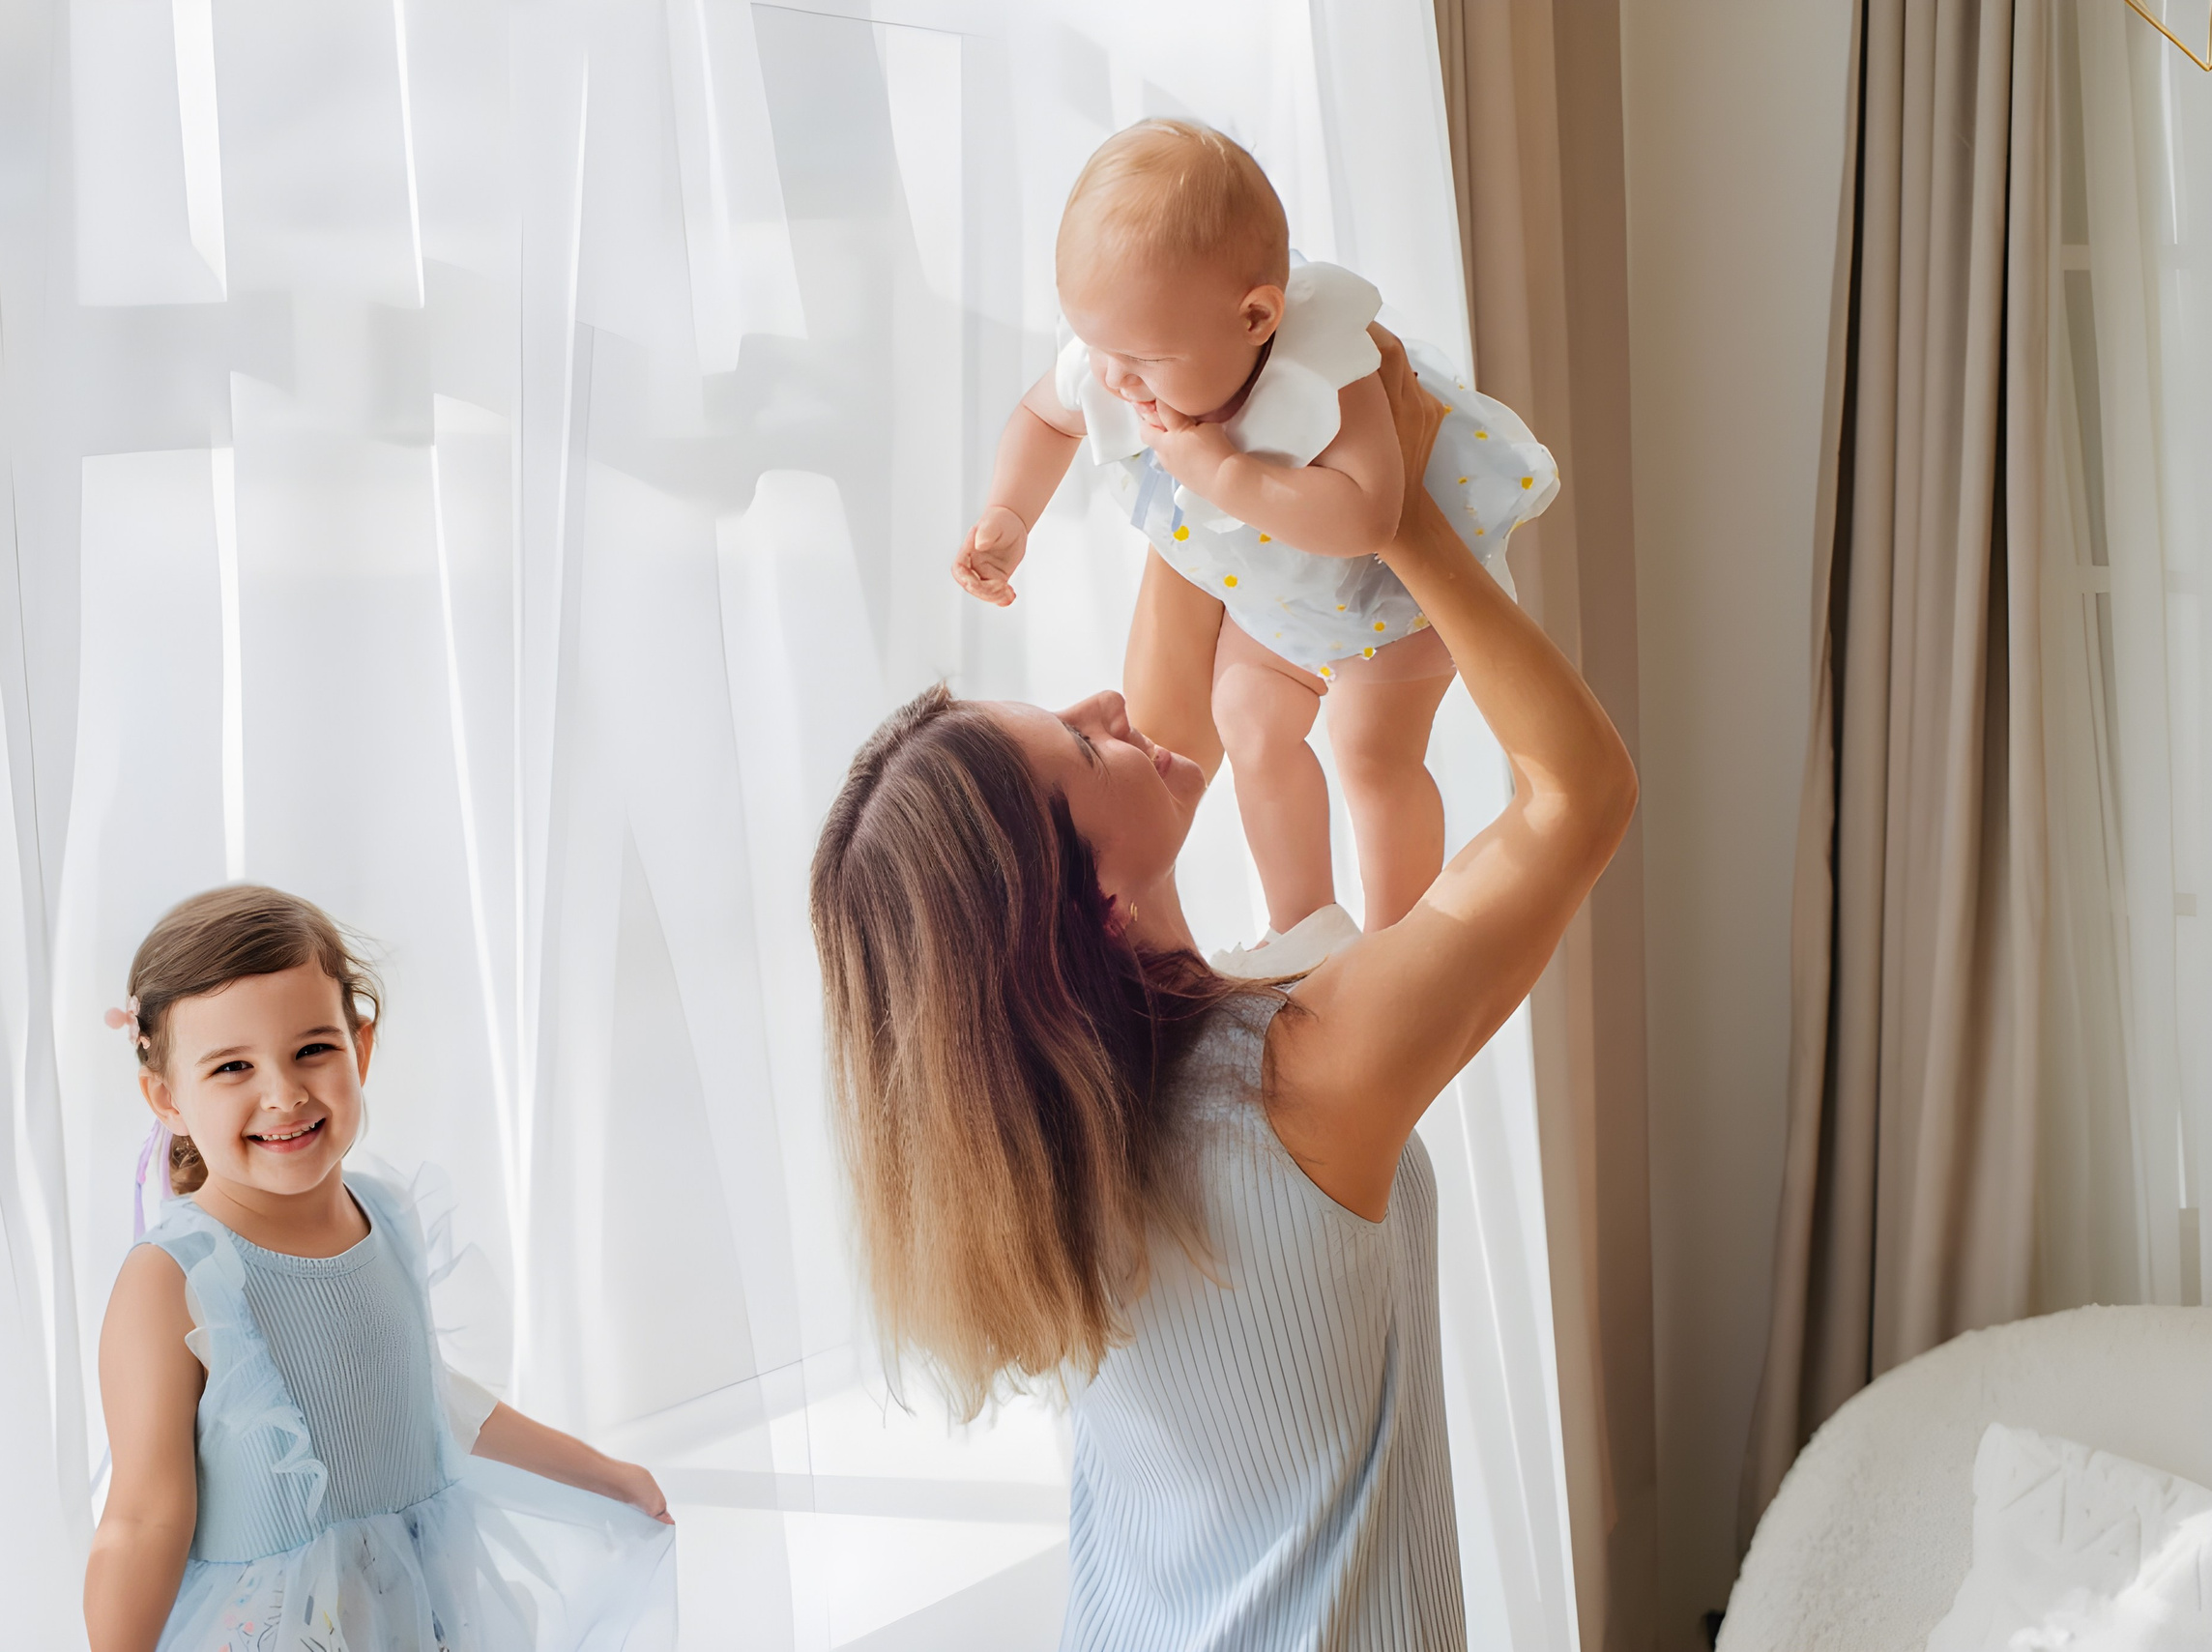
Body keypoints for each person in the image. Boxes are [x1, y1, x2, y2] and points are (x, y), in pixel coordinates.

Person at [825, 457, 1632, 1643]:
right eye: (1081, 745)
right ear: (1095, 907)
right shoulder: (1301, 1075)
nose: (1107, 708)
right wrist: (1395, 514)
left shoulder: (1029, 1146)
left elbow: (1161, 727)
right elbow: (1579, 793)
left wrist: (1196, 432)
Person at [952, 118, 1556, 975]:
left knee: (1368, 748)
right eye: (1097, 347)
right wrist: (1009, 515)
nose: (1117, 381)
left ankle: (1396, 952)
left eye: (1146, 359)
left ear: (1254, 316)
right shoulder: (1116, 355)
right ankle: (1302, 926)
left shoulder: (1324, 368)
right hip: (1278, 598)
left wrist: (1222, 472)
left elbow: (1369, 516)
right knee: (1248, 715)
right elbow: (1042, 417)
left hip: (1387, 601)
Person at [85, 884, 674, 1652]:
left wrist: (604, 1472)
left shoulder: (387, 1217)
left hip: (413, 1613)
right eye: (233, 1066)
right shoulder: (174, 1278)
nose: (284, 1092)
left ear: (360, 1047)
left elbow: (432, 1396)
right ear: (166, 1098)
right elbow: (141, 1521)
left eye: (312, 1049)